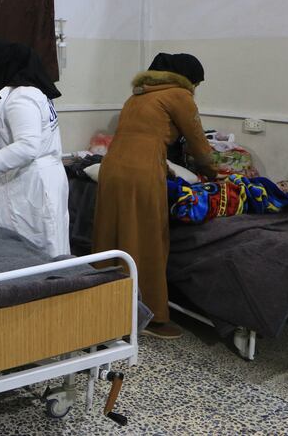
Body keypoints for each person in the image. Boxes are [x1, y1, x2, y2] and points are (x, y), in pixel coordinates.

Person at [92, 52, 217, 339]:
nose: (196, 89)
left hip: (111, 168)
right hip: (142, 170)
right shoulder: (179, 95)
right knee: (148, 240)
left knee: (109, 236)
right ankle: (152, 318)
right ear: (189, 79)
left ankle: (103, 305)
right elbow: (198, 141)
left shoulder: (137, 95)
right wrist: (211, 171)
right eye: (196, 83)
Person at [0, 40, 69, 258]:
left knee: (38, 254)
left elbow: (27, 147)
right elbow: (23, 137)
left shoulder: (22, 98)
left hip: (31, 187)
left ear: (1, 67)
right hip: (36, 180)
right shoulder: (28, 94)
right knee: (40, 252)